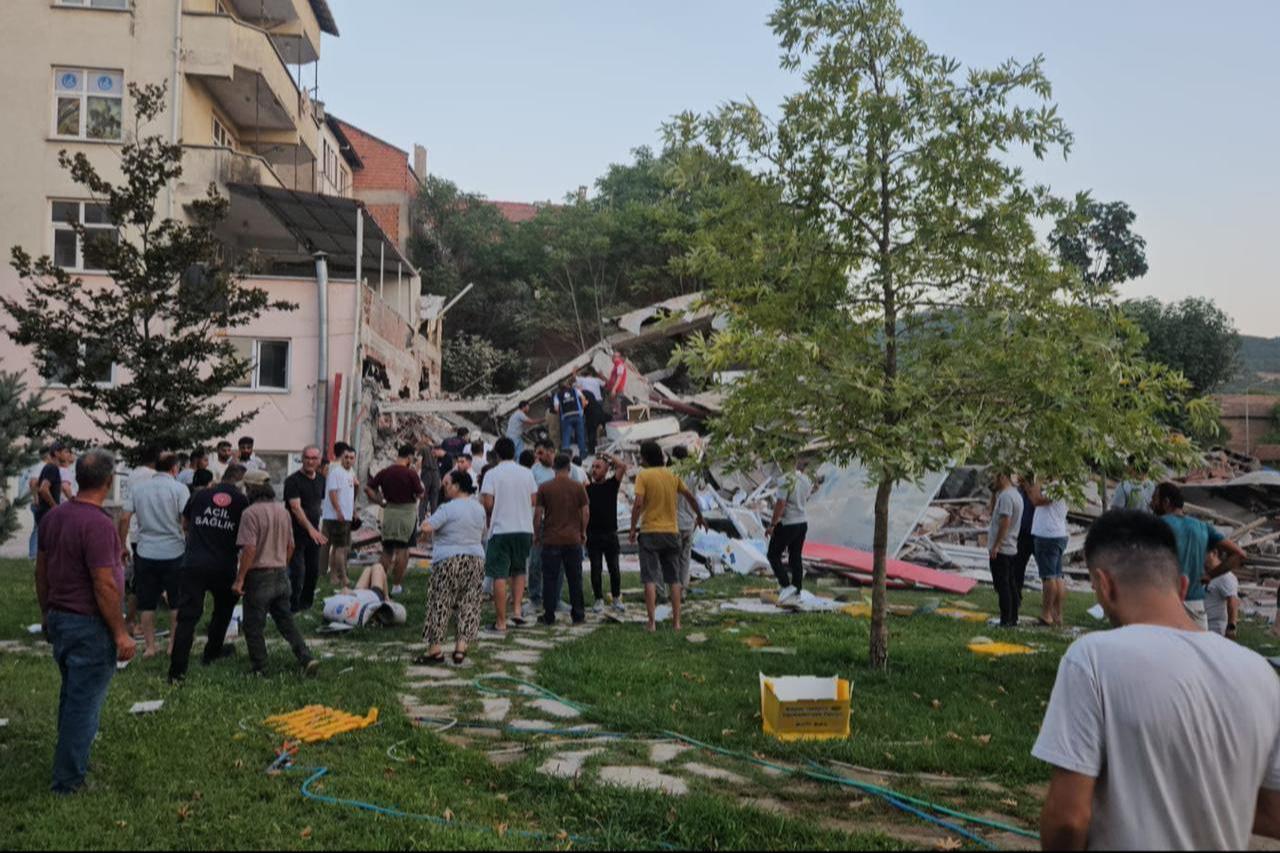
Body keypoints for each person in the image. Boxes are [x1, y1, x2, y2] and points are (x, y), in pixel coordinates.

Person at [1033, 509, 1280, 850]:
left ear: (1105, 585)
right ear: (1181, 585)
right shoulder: (1261, 675)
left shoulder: (1092, 658)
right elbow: (1274, 813)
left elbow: (1068, 818)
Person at [35, 448, 135, 795]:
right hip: (88, 625)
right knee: (83, 703)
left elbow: (42, 570)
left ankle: (70, 761)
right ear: (108, 481)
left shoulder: (55, 518)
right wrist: (121, 632)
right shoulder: (98, 524)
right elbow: (104, 584)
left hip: (61, 618)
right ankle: (68, 781)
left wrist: (46, 612)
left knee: (72, 695)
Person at [232, 470, 318, 677]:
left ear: (251, 489)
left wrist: (240, 579)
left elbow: (249, 549)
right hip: (280, 575)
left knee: (253, 626)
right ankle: (306, 657)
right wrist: (281, 566)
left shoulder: (250, 513)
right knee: (286, 621)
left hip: (259, 577)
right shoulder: (283, 511)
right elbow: (291, 545)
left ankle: (260, 668)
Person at [168, 463, 248, 683]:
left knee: (187, 617)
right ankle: (211, 652)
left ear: (223, 477)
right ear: (241, 482)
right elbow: (245, 536)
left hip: (193, 563)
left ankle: (177, 671)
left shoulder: (200, 495)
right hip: (223, 565)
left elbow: (185, 523)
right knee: (222, 611)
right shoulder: (242, 502)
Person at [1151, 482, 1247, 630]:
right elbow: (1239, 554)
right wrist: (1210, 575)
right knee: (1195, 652)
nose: (1151, 503)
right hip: (1196, 607)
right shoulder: (1202, 527)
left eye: (1154, 499)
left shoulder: (1156, 525)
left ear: (1166, 502)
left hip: (1165, 604)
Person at [630, 441, 703, 632]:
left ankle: (652, 622)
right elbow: (690, 497)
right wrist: (700, 516)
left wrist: (632, 528)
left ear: (645, 457)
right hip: (672, 532)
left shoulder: (643, 475)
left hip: (650, 531)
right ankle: (677, 622)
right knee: (674, 579)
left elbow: (638, 503)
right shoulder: (673, 474)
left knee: (650, 578)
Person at [417, 470, 488, 664]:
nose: (444, 487)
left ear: (457, 486)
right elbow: (483, 532)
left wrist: (424, 525)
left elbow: (428, 527)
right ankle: (460, 649)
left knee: (440, 602)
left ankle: (435, 649)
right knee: (470, 603)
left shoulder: (447, 508)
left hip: (448, 559)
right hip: (475, 558)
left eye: (447, 484)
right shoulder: (479, 508)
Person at [130, 453, 189, 658]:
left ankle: (150, 647)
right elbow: (186, 518)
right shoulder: (180, 489)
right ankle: (172, 645)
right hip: (174, 550)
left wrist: (122, 544)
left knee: (146, 603)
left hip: (146, 550)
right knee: (176, 602)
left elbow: (125, 516)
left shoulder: (139, 488)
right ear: (174, 468)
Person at [480, 437, 539, 635]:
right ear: (514, 452)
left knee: (499, 574)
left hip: (501, 528)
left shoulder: (492, 474)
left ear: (496, 454)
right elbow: (533, 499)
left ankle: (501, 622)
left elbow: (487, 503)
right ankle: (516, 611)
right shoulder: (527, 473)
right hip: (524, 528)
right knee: (519, 570)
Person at [534, 453, 589, 626]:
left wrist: (536, 534)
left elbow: (538, 514)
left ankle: (549, 615)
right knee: (575, 578)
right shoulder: (578, 487)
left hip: (551, 539)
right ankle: (578, 614)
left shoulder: (545, 487)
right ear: (569, 467)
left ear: (553, 468)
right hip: (572, 539)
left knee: (550, 578)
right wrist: (583, 531)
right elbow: (585, 512)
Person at [365, 444, 425, 597]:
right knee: (403, 551)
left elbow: (368, 488)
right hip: (407, 515)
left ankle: (378, 583)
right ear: (410, 457)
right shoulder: (411, 474)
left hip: (389, 512)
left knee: (387, 550)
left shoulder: (386, 472)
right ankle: (396, 586)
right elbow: (420, 494)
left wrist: (380, 501)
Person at [117, 445, 161, 638]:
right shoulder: (156, 477)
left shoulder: (132, 474)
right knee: (148, 583)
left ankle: (133, 621)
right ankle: (134, 623)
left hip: (135, 534)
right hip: (153, 533)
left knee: (138, 580)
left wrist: (121, 543)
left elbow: (124, 515)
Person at [284, 445, 328, 613]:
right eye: (307, 458)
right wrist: (311, 529)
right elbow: (296, 508)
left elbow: (320, 504)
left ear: (319, 460)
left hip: (314, 534)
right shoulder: (292, 481)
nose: (310, 461)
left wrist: (318, 529)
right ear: (302, 459)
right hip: (295, 534)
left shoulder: (321, 480)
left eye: (314, 458)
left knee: (313, 571)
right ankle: (292, 606)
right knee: (297, 572)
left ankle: (306, 604)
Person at [586, 452, 628, 614]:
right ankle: (598, 599)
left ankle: (616, 598)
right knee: (595, 568)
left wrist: (607, 455)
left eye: (598, 467)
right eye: (593, 467)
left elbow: (622, 466)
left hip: (610, 533)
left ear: (606, 470)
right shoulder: (587, 488)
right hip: (593, 534)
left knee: (614, 568)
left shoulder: (612, 485)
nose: (594, 470)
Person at [766, 458, 813, 602]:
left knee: (773, 554)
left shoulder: (784, 480)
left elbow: (781, 503)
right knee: (795, 556)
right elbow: (807, 497)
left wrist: (772, 524)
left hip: (788, 522)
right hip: (802, 522)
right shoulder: (806, 480)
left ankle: (786, 585)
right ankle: (797, 589)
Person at [1026, 477, 1069, 628]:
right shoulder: (1061, 486)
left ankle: (1046, 614)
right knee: (1057, 575)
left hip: (1048, 535)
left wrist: (1034, 483)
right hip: (1057, 534)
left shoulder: (1056, 487)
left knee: (1048, 577)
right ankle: (1057, 613)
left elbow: (1036, 500)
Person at [987, 471, 1025, 628]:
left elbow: (1005, 522)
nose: (993, 480)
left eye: (995, 476)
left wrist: (997, 545)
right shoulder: (1013, 495)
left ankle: (1006, 619)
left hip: (1003, 547)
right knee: (1010, 583)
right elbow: (992, 513)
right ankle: (1013, 617)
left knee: (1003, 585)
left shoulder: (1006, 497)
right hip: (1010, 546)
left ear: (1003, 477)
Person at [321, 442, 358, 592]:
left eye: (351, 457)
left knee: (337, 547)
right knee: (340, 548)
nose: (348, 460)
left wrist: (353, 511)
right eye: (346, 457)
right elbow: (332, 492)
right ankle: (342, 577)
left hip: (345, 515)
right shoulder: (336, 471)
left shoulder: (350, 473)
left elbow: (349, 494)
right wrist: (338, 511)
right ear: (342, 457)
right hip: (337, 516)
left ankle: (334, 576)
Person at [1012, 475, 1037, 618]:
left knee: (1047, 573)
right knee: (1017, 568)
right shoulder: (1019, 491)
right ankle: (1016, 598)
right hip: (1022, 532)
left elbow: (1036, 501)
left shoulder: (1035, 489)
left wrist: (1028, 487)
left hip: (1036, 532)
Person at [23, 445, 52, 560]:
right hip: (39, 503)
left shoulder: (43, 466)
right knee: (39, 528)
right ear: (47, 455)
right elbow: (33, 482)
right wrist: (36, 498)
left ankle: (37, 555)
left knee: (41, 528)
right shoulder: (42, 466)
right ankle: (33, 555)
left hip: (41, 502)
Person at [1203, 550, 1241, 639]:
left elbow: (1232, 602)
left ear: (1214, 553)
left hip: (1216, 627)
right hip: (1203, 624)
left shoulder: (1225, 577)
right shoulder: (1205, 574)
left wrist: (1231, 627)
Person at [33, 442, 64, 541]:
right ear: (56, 453)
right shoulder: (52, 468)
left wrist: (37, 500)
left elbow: (37, 484)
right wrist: (55, 507)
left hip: (44, 513)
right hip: (48, 514)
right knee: (49, 547)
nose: (68, 455)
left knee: (44, 548)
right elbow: (43, 489)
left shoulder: (48, 467)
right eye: (65, 452)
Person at [552, 379, 588, 459]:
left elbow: (556, 409)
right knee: (580, 435)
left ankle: (565, 456)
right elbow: (583, 399)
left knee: (566, 437)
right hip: (578, 415)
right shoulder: (575, 390)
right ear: (567, 385)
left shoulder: (557, 395)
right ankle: (583, 454)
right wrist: (582, 408)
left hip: (566, 417)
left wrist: (561, 415)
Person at [575, 369, 608, 455]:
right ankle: (604, 445)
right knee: (601, 427)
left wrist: (574, 371)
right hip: (598, 406)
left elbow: (584, 405)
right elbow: (605, 383)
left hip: (591, 412)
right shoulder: (595, 381)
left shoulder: (581, 386)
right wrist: (601, 375)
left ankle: (591, 448)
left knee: (591, 429)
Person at [607, 351, 629, 420]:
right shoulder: (616, 366)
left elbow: (619, 377)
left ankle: (619, 422)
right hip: (615, 390)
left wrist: (614, 389)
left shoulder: (620, 365)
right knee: (614, 408)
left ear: (617, 357)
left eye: (614, 357)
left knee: (617, 409)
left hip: (618, 390)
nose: (612, 358)